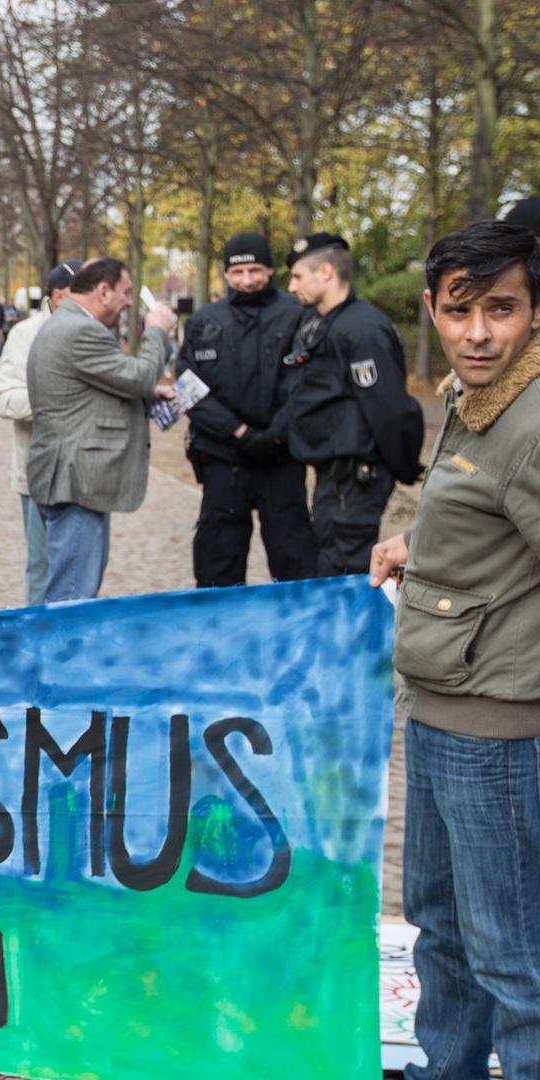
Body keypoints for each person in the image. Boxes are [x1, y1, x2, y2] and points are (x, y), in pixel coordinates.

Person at [368, 220, 540, 1080]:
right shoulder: (477, 403)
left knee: (511, 956)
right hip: (436, 712)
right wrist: (415, 544)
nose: (479, 331)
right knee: (439, 928)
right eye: (460, 309)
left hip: (498, 736)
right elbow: (483, 520)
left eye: (501, 309)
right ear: (433, 309)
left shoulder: (532, 420)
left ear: (535, 313)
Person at [24, 257, 178, 602]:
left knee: (71, 587)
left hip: (69, 477)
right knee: (72, 597)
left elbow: (94, 385)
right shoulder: (81, 330)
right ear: (103, 291)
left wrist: (149, 394)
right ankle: (64, 655)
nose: (128, 302)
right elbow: (139, 375)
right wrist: (155, 331)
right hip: (75, 481)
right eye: (125, 293)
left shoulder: (70, 323)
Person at [277, 232, 425, 576]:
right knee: (330, 561)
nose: (292, 286)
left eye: (298, 276)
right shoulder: (323, 324)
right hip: (335, 476)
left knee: (344, 570)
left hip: (355, 479)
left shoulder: (362, 329)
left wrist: (402, 466)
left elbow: (389, 409)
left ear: (325, 272)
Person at [175, 233, 315, 587]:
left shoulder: (298, 315)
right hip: (224, 460)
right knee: (216, 567)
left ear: (270, 270)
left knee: (295, 563)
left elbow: (306, 382)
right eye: (238, 272)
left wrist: (275, 434)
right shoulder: (204, 321)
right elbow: (188, 388)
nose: (247, 280)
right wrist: (236, 431)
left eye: (255, 270)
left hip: (280, 460)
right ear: (225, 274)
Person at [0, 260, 82, 605]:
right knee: (42, 568)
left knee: (81, 570)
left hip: (90, 474)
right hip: (40, 473)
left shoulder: (98, 330)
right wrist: (61, 402)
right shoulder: (25, 335)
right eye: (82, 294)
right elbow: (4, 398)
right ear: (58, 297)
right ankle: (41, 645)